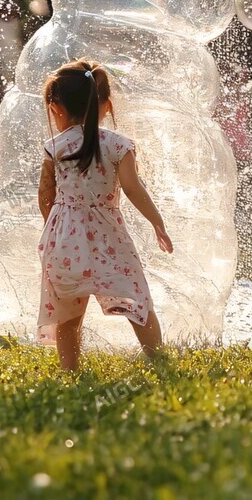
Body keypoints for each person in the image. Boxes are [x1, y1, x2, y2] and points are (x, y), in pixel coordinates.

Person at [37, 60, 172, 372]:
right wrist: (156, 222)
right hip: (109, 236)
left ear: (56, 108)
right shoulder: (118, 145)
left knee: (69, 314)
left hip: (66, 238)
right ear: (106, 105)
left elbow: (45, 195)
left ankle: (70, 371)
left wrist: (54, 227)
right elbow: (133, 188)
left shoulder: (54, 146)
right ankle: (159, 361)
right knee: (136, 299)